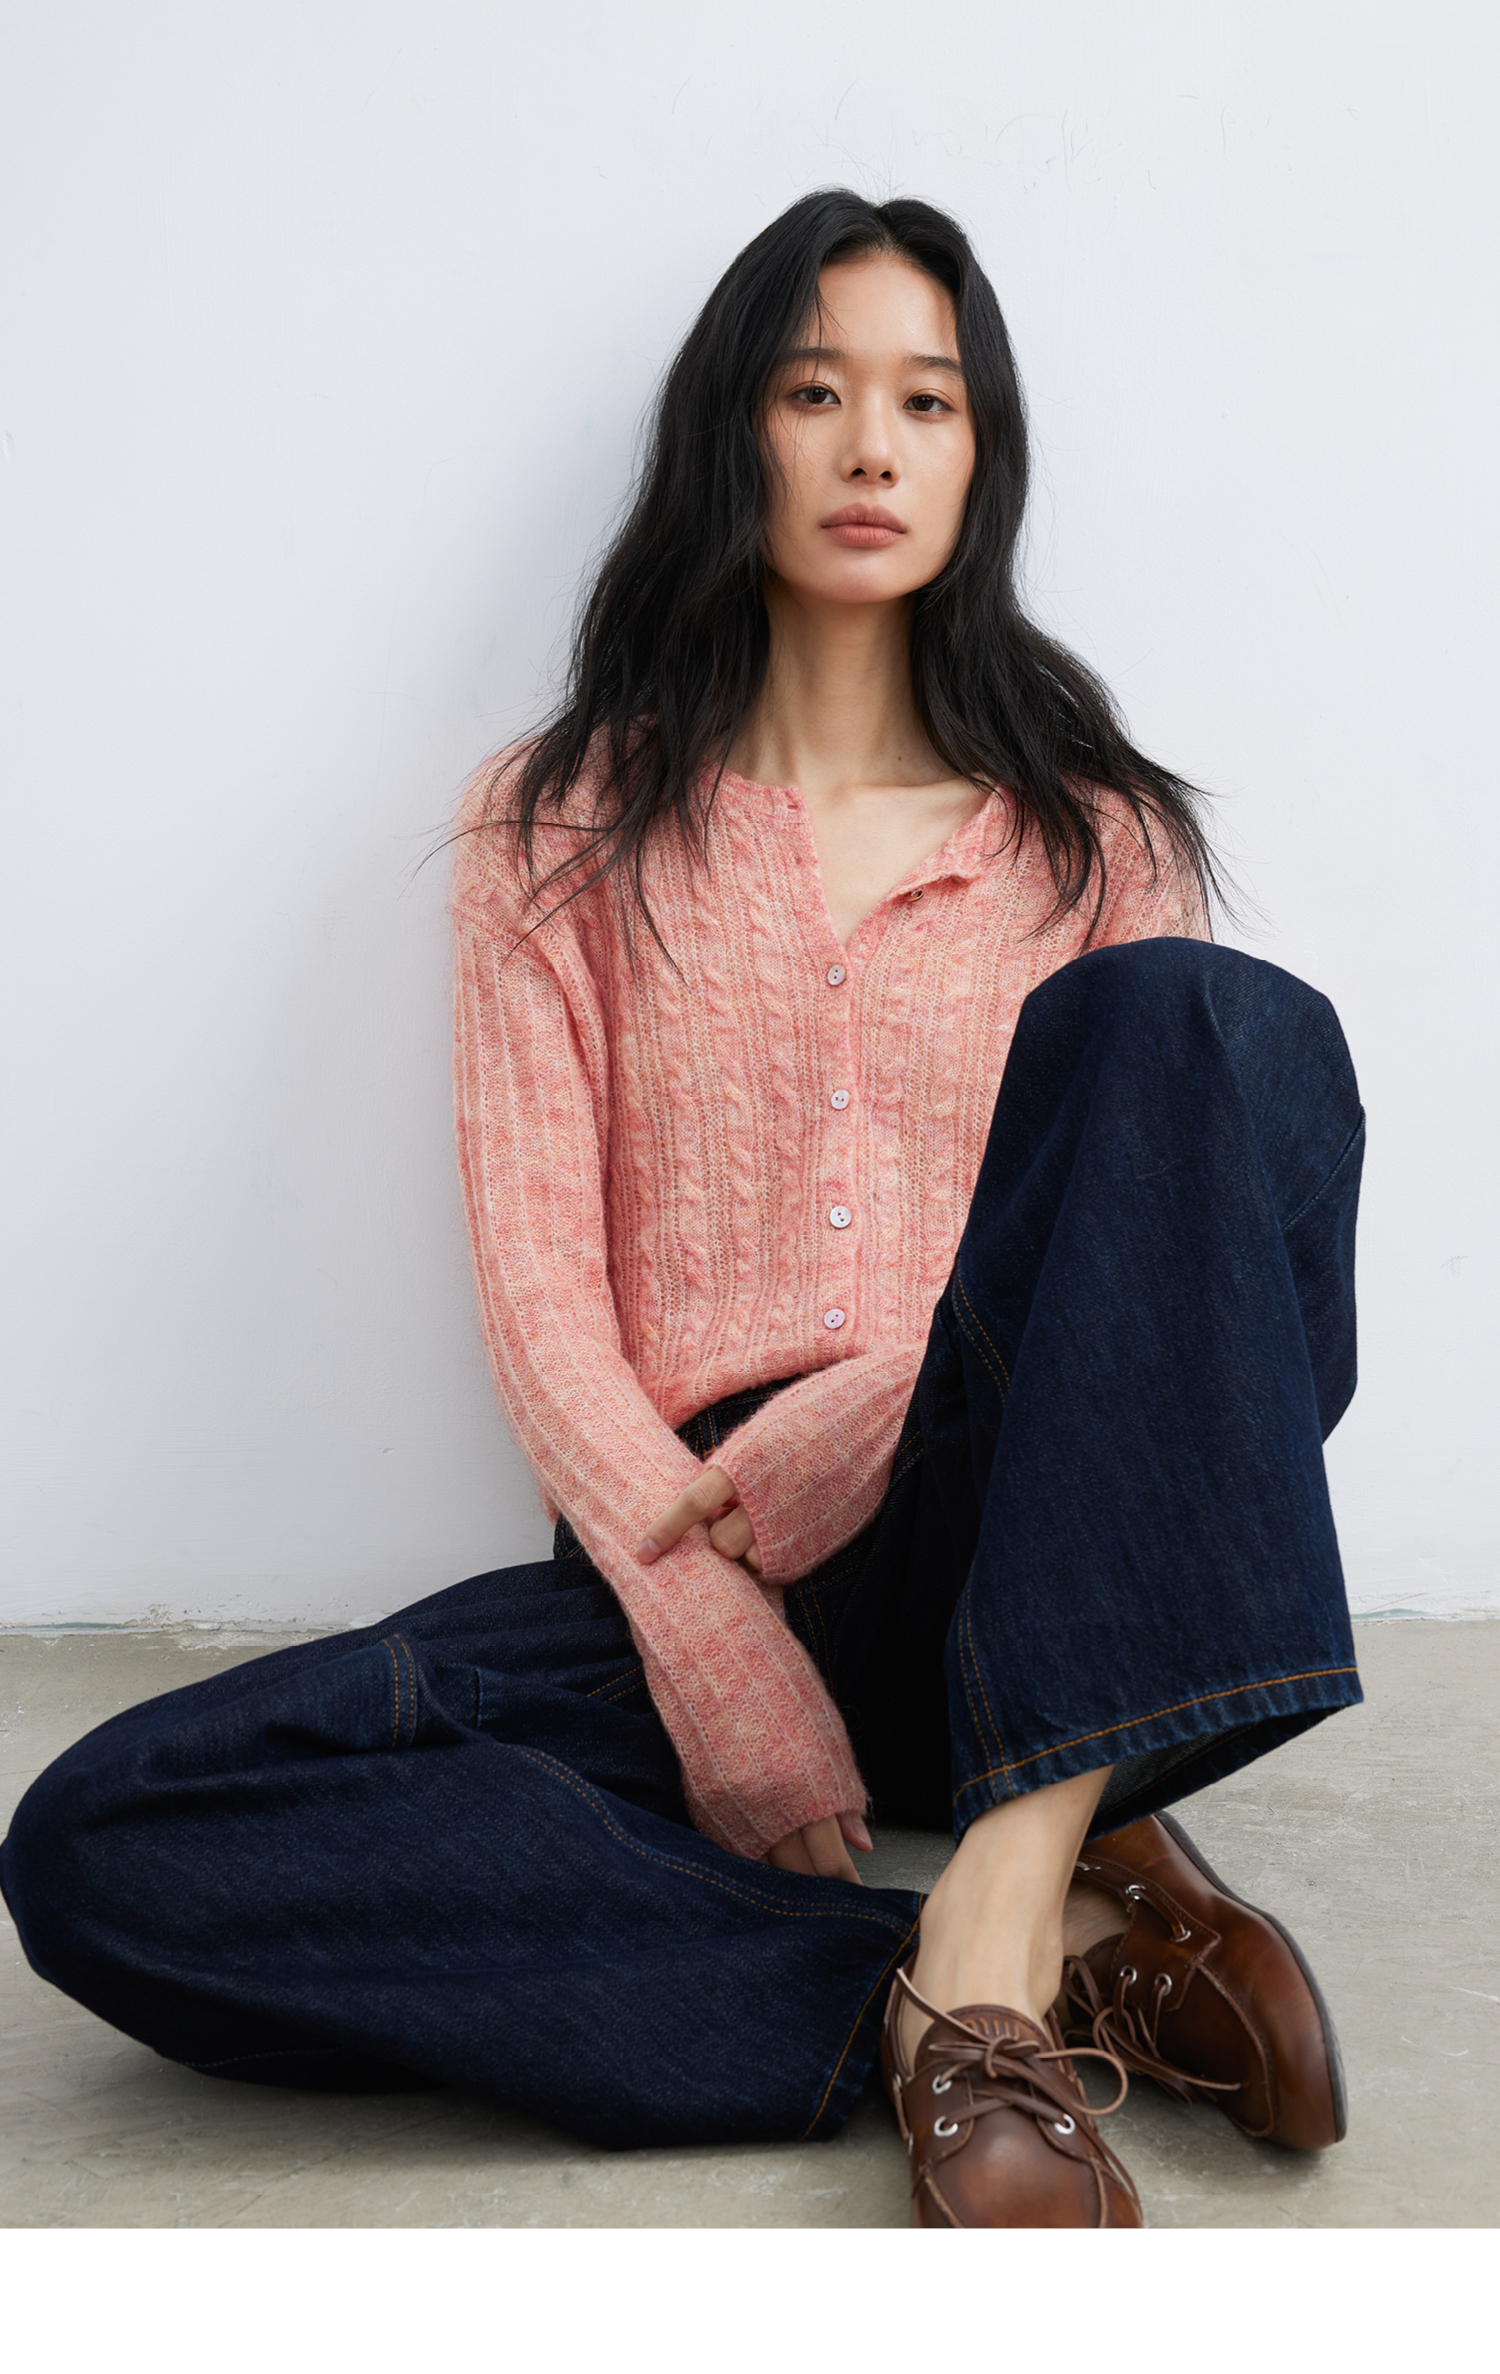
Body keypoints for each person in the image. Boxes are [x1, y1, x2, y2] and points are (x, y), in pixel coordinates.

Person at [0, 192, 1365, 2227]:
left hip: (1039, 1522)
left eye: (927, 400)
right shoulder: (558, 820)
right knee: (106, 1838)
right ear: (736, 428)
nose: (872, 447)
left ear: (982, 452)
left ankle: (1007, 1881)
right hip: (689, 1546)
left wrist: (874, 1411)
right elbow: (542, 1285)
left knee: (1213, 1032)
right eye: (815, 392)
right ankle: (1021, 1955)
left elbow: (1168, 1242)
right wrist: (713, 1632)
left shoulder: (1094, 834)